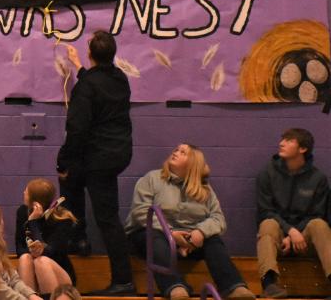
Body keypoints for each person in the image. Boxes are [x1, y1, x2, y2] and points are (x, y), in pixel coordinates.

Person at [125, 144, 254, 300]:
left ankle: (234, 287)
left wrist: (199, 232)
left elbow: (218, 218)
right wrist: (171, 234)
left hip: (190, 241)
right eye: (176, 150)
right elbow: (141, 212)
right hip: (152, 236)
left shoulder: (204, 189)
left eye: (183, 152)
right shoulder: (152, 178)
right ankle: (175, 287)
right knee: (154, 237)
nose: (176, 152)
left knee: (214, 241)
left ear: (193, 163)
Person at [58, 31, 133, 294]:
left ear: (91, 54)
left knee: (107, 217)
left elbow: (77, 128)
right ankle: (79, 239)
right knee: (75, 181)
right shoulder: (120, 78)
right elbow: (96, 84)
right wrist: (77, 65)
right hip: (117, 154)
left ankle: (123, 279)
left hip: (97, 157)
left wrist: (63, 160)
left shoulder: (87, 87)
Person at [256, 127, 330, 297]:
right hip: (279, 239)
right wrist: (290, 231)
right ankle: (269, 283)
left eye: (289, 141)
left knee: (319, 224)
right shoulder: (267, 173)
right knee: (268, 224)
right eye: (282, 139)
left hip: (304, 241)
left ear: (302, 149)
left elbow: (318, 214)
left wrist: (296, 235)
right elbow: (265, 211)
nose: (281, 143)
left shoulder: (318, 178)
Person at [14, 179, 76, 292]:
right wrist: (32, 252)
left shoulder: (63, 218)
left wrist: (33, 222)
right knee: (24, 258)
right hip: (31, 270)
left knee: (41, 261)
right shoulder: (22, 212)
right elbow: (19, 248)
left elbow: (49, 253)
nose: (23, 192)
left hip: (58, 273)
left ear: (35, 201)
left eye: (26, 192)